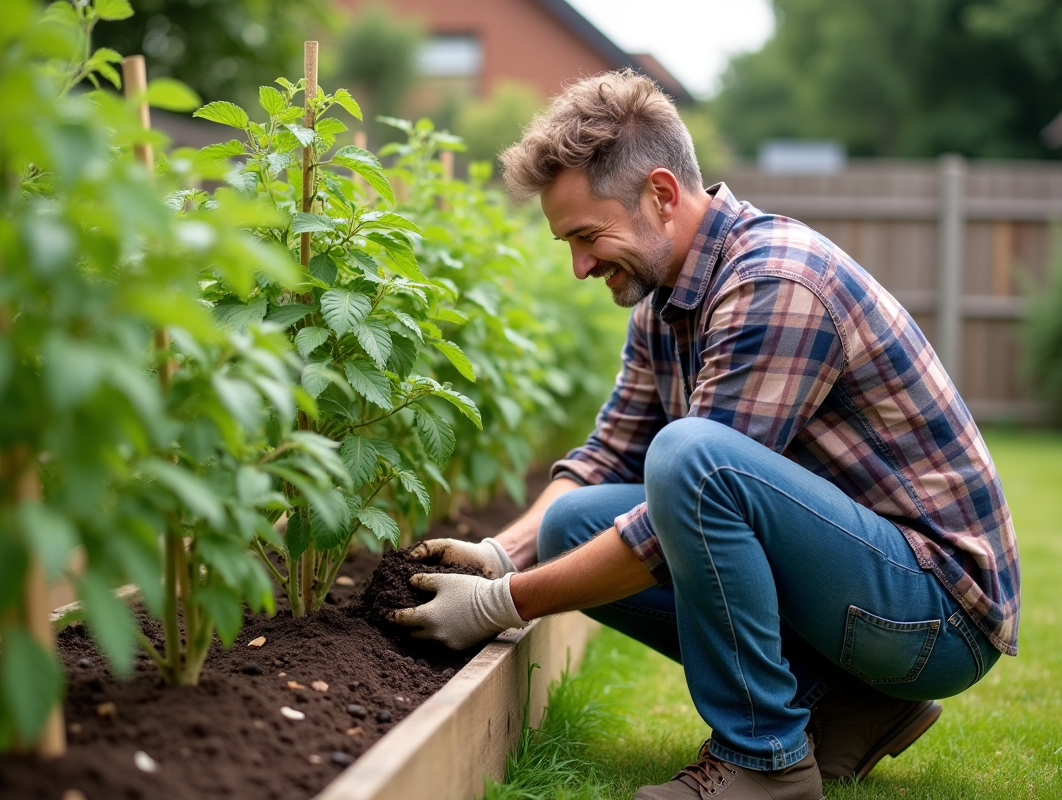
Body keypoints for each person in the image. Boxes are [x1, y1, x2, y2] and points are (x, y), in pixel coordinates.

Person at [388, 69, 1020, 800]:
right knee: (568, 524)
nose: (579, 266)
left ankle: (763, 763)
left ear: (661, 194)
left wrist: (506, 602)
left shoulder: (776, 282)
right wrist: (506, 552)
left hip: (936, 612)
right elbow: (609, 454)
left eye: (588, 236)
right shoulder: (664, 304)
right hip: (868, 586)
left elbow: (679, 512)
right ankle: (852, 704)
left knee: (694, 462)